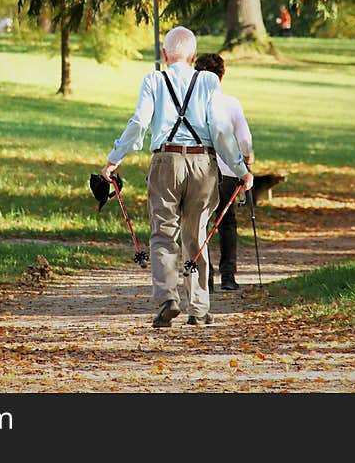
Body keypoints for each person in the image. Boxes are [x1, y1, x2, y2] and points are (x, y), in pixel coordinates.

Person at [101, 26, 253, 328]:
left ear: (165, 54)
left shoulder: (154, 80)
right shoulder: (209, 81)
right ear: (193, 56)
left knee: (162, 233)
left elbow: (139, 123)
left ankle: (168, 299)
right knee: (196, 235)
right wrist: (240, 169)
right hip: (202, 163)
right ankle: (199, 308)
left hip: (165, 161)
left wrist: (114, 159)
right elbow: (222, 131)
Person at [194, 53, 253, 292]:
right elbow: (244, 138)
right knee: (227, 222)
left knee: (201, 222)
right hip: (228, 169)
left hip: (200, 168)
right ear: (222, 75)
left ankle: (205, 277)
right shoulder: (230, 103)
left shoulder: (193, 104)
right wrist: (247, 160)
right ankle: (228, 276)